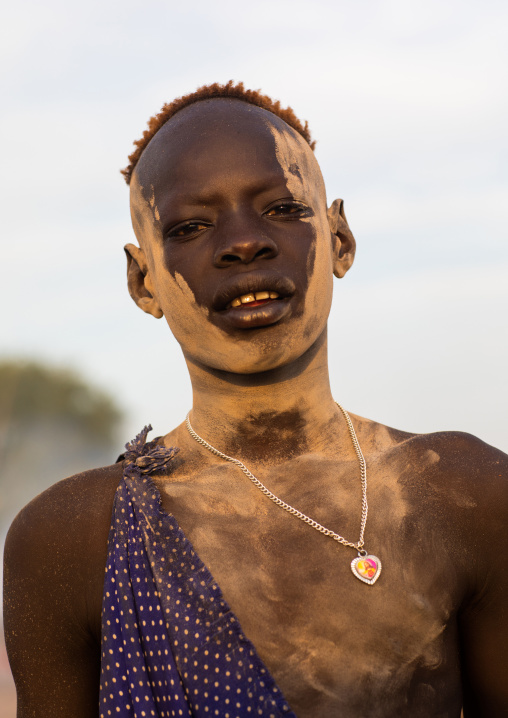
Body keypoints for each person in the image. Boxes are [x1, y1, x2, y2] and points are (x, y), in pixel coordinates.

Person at [3, 81, 508, 718]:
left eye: (282, 210)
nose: (244, 243)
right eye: (190, 226)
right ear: (144, 280)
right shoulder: (72, 539)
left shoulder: (462, 495)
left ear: (340, 240)